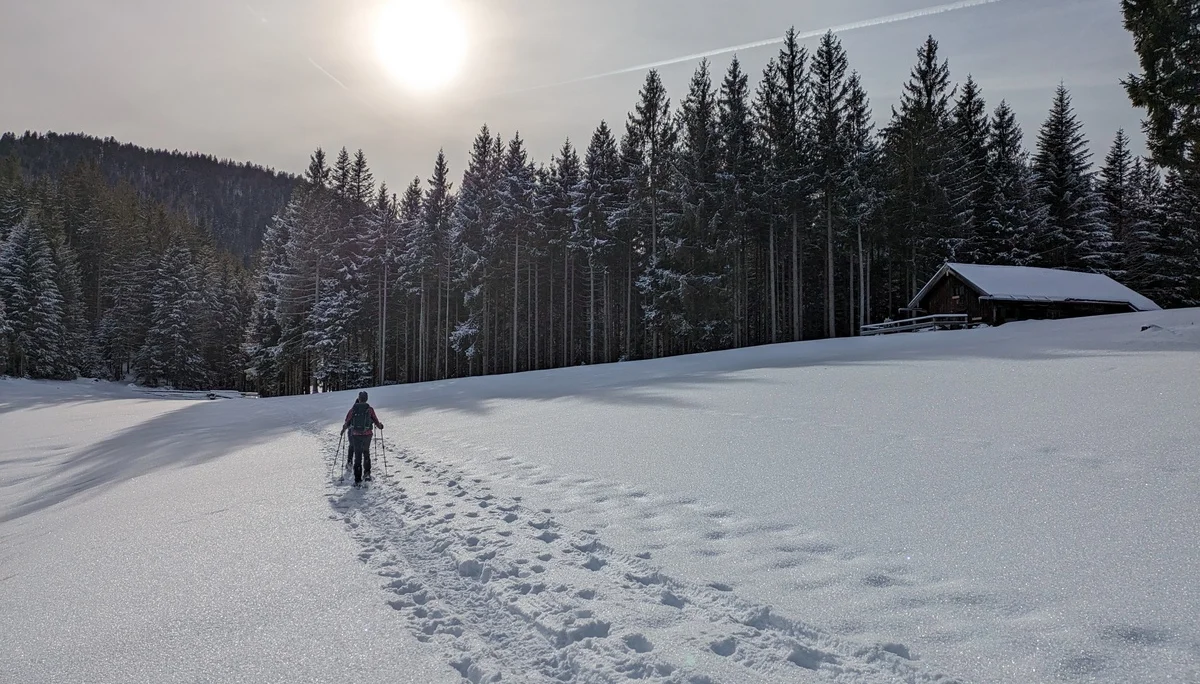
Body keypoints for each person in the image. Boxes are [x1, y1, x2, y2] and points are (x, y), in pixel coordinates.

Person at [341, 391, 384, 485]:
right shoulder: (370, 409)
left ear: (359, 398)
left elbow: (347, 421)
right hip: (367, 435)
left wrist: (343, 430)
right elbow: (375, 420)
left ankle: (357, 479)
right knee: (366, 453)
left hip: (356, 435)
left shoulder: (353, 409)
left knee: (357, 456)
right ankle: (367, 474)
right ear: (366, 399)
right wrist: (380, 426)